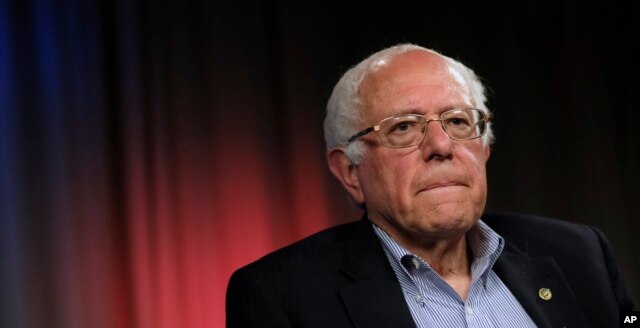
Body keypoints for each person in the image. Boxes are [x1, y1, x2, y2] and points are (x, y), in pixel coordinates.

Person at [226, 44, 634, 327]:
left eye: (458, 121)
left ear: (484, 148)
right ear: (351, 172)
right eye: (403, 128)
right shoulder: (279, 297)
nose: (442, 145)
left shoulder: (581, 254)